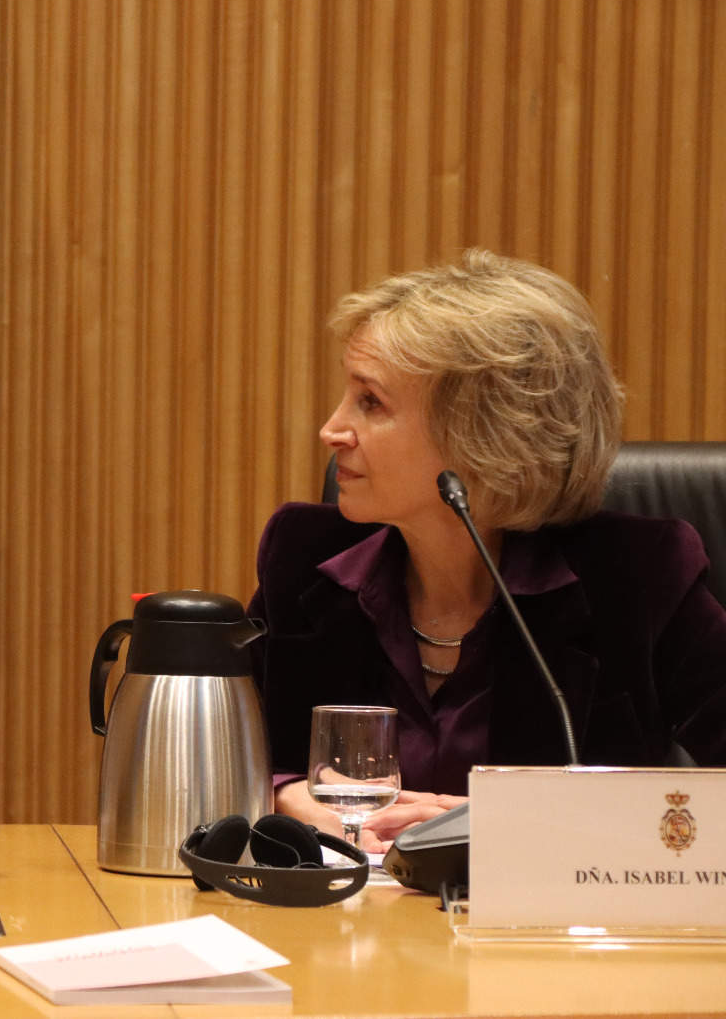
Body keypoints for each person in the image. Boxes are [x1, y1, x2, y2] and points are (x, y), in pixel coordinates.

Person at [250, 249, 726, 852]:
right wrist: (285, 794)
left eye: (370, 402)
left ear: (484, 433)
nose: (332, 429)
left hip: (548, 940)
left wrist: (515, 826)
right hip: (341, 934)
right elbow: (225, 758)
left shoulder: (636, 577)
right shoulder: (303, 559)